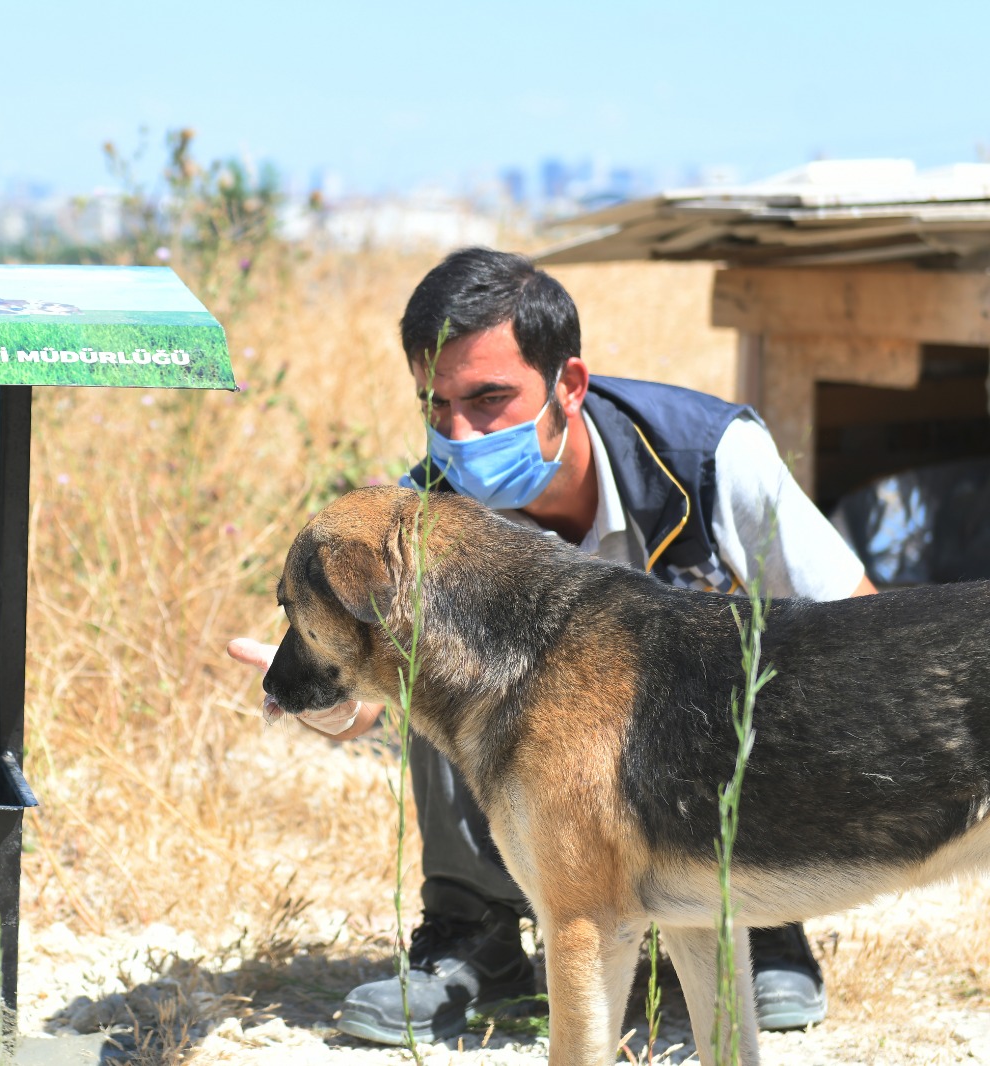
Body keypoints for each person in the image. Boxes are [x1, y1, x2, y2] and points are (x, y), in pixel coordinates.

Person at [228, 247, 877, 1046]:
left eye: (489, 398)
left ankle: (768, 924)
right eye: (435, 406)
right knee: (451, 667)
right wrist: (329, 703)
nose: (458, 435)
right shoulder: (415, 532)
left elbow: (854, 629)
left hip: (727, 789)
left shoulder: (709, 457)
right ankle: (478, 934)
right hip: (562, 807)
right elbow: (383, 704)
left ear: (569, 384)